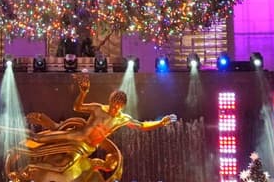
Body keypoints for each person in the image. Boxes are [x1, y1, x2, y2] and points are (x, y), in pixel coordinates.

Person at [12, 74, 177, 180]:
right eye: (113, 105)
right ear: (110, 101)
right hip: (75, 136)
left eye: (118, 107)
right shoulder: (98, 109)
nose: (114, 109)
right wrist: (83, 93)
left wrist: (160, 123)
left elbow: (142, 125)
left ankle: (29, 168)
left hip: (85, 148)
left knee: (63, 166)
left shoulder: (122, 119)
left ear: (122, 106)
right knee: (38, 138)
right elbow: (77, 107)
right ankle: (11, 133)